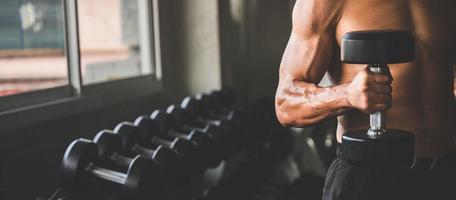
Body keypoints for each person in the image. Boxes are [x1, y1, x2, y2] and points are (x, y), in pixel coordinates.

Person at [275, 0, 456, 199]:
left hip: (444, 170)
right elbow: (285, 104)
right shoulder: (322, 3)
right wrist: (347, 95)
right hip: (367, 177)